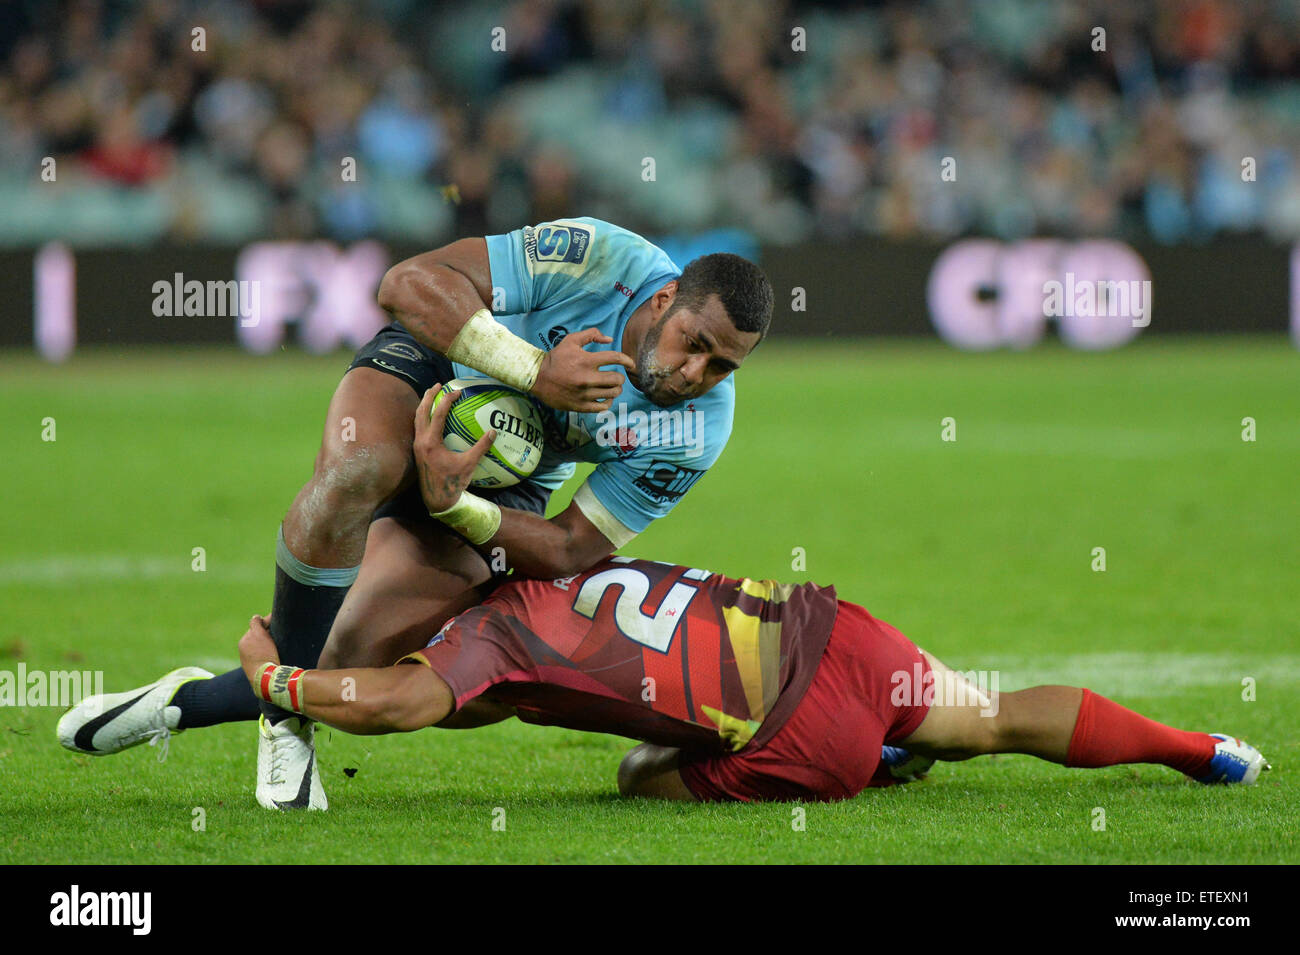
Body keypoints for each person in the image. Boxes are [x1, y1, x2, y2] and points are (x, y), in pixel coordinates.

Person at [58, 217, 773, 811]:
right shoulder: (600, 257)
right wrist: (532, 372)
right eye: (694, 343)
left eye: (720, 367)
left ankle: (189, 698)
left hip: (502, 476)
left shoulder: (698, 425)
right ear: (666, 297)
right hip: (434, 368)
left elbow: (566, 549)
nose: (693, 375)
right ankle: (285, 728)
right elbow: (404, 283)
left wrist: (454, 504)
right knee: (355, 470)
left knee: (355, 660)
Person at [224, 555, 1269, 803]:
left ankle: (877, 758)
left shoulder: (481, 640)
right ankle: (1201, 750)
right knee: (991, 720)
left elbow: (403, 704)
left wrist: (277, 681)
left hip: (799, 739)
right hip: (829, 628)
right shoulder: (562, 560)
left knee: (639, 776)